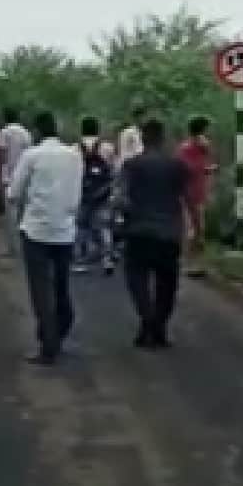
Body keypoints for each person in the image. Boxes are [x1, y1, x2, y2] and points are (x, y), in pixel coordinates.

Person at [7, 112, 82, 365]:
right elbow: (76, 196)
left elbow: (14, 193)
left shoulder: (32, 156)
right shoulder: (74, 156)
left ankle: (48, 344)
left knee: (41, 290)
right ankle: (61, 326)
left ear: (38, 131)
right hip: (65, 229)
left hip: (37, 230)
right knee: (61, 285)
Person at [118, 118, 190, 348]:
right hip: (169, 232)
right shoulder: (177, 165)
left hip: (139, 230)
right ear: (163, 137)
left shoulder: (132, 165)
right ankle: (159, 328)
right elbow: (185, 197)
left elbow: (121, 199)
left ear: (143, 138)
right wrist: (192, 228)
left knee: (136, 277)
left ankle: (147, 319)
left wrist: (120, 221)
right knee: (167, 283)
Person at [74, 116, 117, 275]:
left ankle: (80, 260)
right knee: (104, 227)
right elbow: (113, 170)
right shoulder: (107, 148)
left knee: (81, 227)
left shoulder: (74, 148)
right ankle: (107, 259)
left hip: (83, 193)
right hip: (103, 192)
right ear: (98, 129)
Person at [178, 115, 217, 277]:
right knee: (193, 229)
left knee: (199, 230)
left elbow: (202, 165)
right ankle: (187, 263)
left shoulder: (201, 148)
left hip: (199, 191)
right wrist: (205, 168)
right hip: (189, 192)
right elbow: (186, 168)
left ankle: (197, 263)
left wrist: (208, 168)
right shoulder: (186, 148)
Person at [0, 110, 33, 257]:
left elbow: (2, 153)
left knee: (11, 214)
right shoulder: (26, 132)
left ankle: (13, 248)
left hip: (9, 177)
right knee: (24, 213)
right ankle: (26, 245)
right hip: (25, 176)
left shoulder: (5, 132)